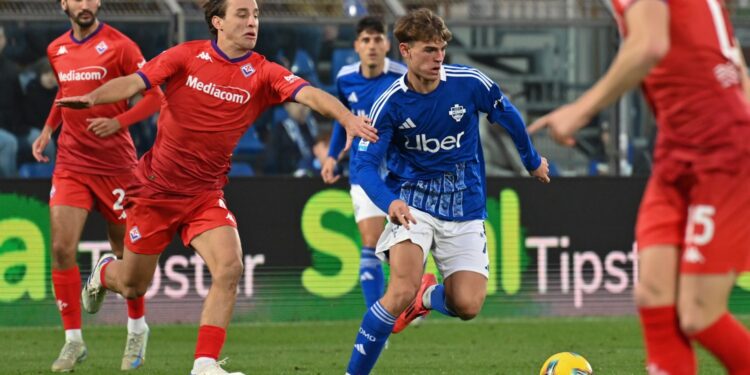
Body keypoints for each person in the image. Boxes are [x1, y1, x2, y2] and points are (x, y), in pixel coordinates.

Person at [55, 0, 377, 374]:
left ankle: (204, 365)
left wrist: (346, 118)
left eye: (255, 15)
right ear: (218, 22)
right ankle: (103, 271)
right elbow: (135, 82)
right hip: (156, 192)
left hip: (204, 196)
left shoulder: (263, 72)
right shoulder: (185, 56)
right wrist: (94, 97)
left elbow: (309, 94)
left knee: (229, 267)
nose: (252, 22)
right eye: (242, 14)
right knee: (132, 286)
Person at [528, 1, 750, 373]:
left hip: (719, 150)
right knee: (654, 295)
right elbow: (734, 65)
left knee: (699, 314)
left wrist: (579, 110)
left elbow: (649, 44)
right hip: (678, 150)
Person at [344, 8, 550, 374]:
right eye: (428, 50)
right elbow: (362, 165)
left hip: (465, 204)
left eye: (441, 50)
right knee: (398, 291)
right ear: (405, 51)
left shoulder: (469, 83)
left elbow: (508, 115)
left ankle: (426, 296)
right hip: (413, 203)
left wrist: (531, 160)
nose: (438, 58)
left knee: (467, 305)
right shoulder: (389, 103)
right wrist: (390, 201)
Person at [30, 0, 164, 371]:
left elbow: (155, 96)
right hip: (72, 162)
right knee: (60, 247)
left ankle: (137, 329)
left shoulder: (122, 46)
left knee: (129, 257)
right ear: (64, 4)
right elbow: (65, 95)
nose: (85, 4)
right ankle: (73, 341)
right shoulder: (56, 48)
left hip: (116, 166)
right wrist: (47, 130)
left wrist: (120, 123)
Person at [320, 16, 408, 312]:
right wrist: (334, 155)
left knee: (402, 248)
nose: (372, 46)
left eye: (377, 39)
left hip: (398, 172)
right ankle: (377, 321)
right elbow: (342, 120)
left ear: (387, 45)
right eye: (366, 40)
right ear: (357, 46)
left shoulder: (401, 77)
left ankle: (413, 295)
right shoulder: (345, 78)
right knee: (370, 242)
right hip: (364, 170)